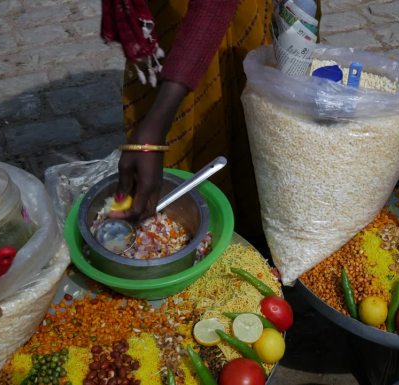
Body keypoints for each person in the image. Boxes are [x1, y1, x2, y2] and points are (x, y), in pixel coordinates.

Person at [101, 0, 272, 248]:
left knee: (237, 118)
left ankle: (247, 237)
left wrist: (156, 125)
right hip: (172, 16)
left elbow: (215, 7)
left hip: (227, 14)